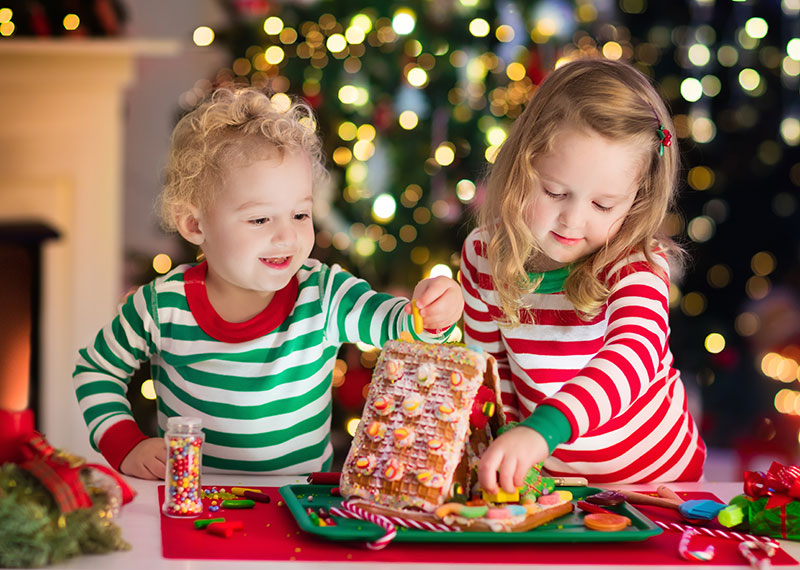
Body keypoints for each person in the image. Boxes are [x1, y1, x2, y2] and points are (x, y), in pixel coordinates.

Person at [73, 87, 464, 479]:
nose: (287, 237)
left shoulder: (323, 294)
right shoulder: (163, 305)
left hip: (296, 506)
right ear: (194, 224)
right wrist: (127, 446)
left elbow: (397, 325)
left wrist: (431, 313)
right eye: (260, 219)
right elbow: (95, 370)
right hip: (193, 502)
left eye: (300, 215)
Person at [462, 58, 706, 493]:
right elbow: (489, 375)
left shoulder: (637, 267)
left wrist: (542, 431)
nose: (572, 221)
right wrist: (501, 454)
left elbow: (630, 359)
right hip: (556, 487)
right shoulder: (484, 255)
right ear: (523, 164)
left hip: (659, 485)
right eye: (555, 192)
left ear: (636, 198)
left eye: (603, 205)